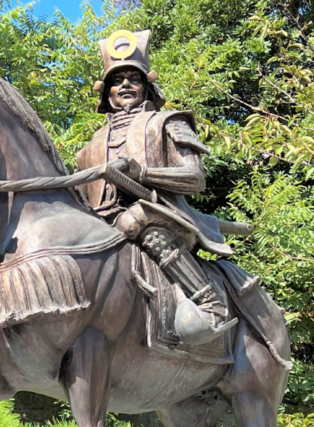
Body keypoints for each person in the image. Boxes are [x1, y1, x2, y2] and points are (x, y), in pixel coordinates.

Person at [76, 30, 241, 345]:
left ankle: (210, 303)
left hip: (161, 216)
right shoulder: (91, 146)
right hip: (103, 224)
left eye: (133, 78)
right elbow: (79, 196)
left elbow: (196, 178)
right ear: (106, 92)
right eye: (117, 79)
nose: (125, 84)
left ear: (147, 86)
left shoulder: (169, 123)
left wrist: (145, 172)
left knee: (135, 219)